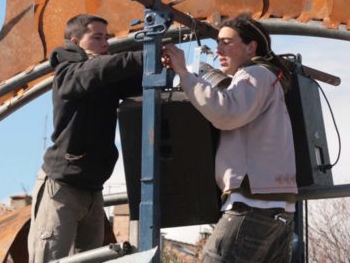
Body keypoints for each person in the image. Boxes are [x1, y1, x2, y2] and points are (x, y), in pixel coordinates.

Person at [163, 13, 298, 262]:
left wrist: (183, 72)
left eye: (227, 41)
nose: (219, 49)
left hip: (252, 204)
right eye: (218, 43)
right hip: (276, 209)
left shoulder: (253, 74)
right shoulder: (269, 79)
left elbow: (226, 112)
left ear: (251, 47)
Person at [27, 14, 143, 262]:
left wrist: (148, 49)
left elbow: (133, 81)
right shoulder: (67, 71)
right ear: (75, 41)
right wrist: (137, 57)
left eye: (107, 38)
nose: (105, 43)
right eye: (97, 37)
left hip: (93, 191)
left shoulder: (104, 74)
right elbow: (90, 74)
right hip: (61, 188)